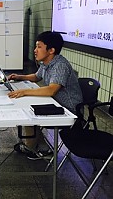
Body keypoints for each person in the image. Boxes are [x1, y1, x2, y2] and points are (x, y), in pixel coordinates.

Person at [7, 31, 83, 160]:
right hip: (55, 102)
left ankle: (31, 147)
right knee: (28, 107)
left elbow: (51, 90)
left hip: (68, 110)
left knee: (28, 112)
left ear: (51, 50)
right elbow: (37, 76)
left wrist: (24, 92)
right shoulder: (47, 62)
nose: (35, 50)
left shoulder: (60, 65)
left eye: (39, 47)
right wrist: (19, 76)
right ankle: (42, 147)